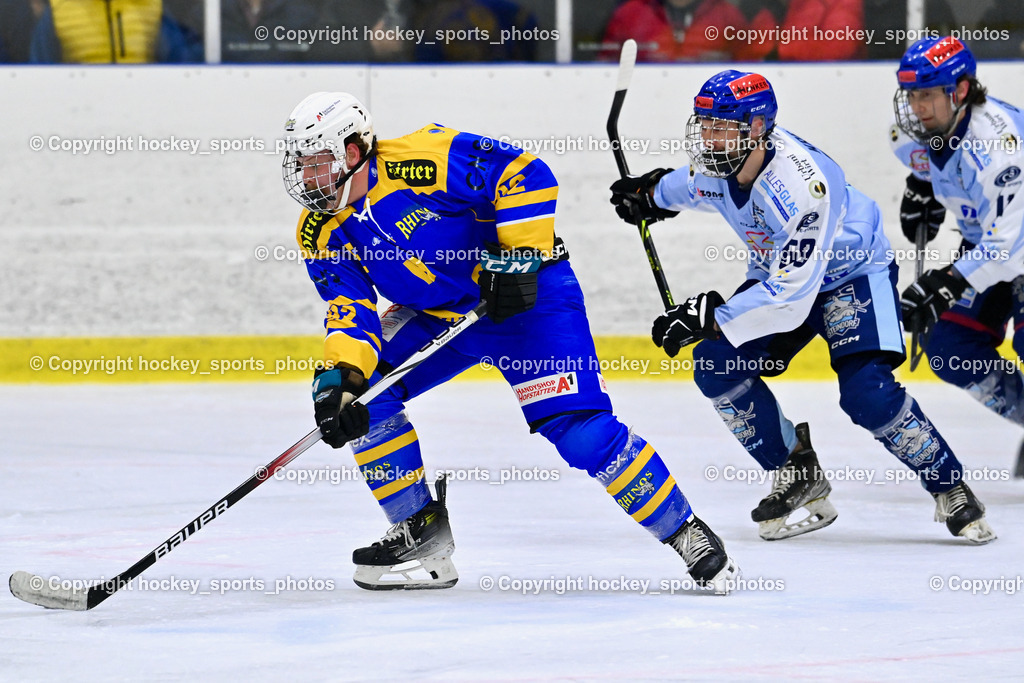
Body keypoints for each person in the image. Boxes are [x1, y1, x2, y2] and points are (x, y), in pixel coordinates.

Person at [278, 92, 740, 593]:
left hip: (527, 300)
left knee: (580, 432)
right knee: (363, 393)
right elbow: (349, 311)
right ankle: (421, 537)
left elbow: (525, 173)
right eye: (300, 166)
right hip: (441, 317)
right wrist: (341, 383)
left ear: (352, 151)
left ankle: (686, 533)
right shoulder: (318, 230)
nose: (307, 179)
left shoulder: (422, 157)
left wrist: (519, 257)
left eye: (317, 163)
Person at [609, 69, 996, 544]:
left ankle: (949, 485)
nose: (707, 138)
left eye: (719, 126)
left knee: (867, 393)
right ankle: (795, 468)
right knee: (715, 365)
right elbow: (692, 187)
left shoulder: (802, 187)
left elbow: (789, 302)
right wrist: (648, 195)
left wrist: (710, 318)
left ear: (755, 129)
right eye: (703, 125)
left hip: (850, 276)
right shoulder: (723, 161)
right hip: (782, 277)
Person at [890, 37, 1024, 469]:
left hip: (1013, 243)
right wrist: (923, 186)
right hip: (989, 244)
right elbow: (944, 170)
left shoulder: (1000, 149)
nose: (916, 107)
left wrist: (948, 282)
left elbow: (1008, 244)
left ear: (961, 91)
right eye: (911, 95)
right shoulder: (921, 133)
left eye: (926, 95)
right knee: (950, 348)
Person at [30, 0, 201, 64]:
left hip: (144, 109)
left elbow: (179, 63)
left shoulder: (151, 6)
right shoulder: (59, 9)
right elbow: (40, 72)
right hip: (78, 112)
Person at [599, 0, 745, 62]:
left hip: (710, 106)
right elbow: (605, 63)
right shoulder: (630, 13)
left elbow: (749, 64)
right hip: (643, 102)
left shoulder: (727, 15)